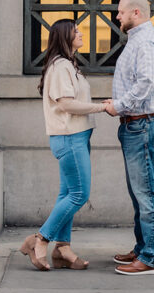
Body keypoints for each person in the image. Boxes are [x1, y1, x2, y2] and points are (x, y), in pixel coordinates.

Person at [19, 18, 106, 271]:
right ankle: (40, 239)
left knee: (67, 194)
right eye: (76, 31)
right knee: (79, 194)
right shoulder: (59, 67)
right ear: (64, 37)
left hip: (77, 136)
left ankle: (63, 249)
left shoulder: (69, 65)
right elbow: (66, 103)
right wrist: (101, 107)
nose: (81, 34)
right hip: (69, 138)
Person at [103, 0, 154, 276]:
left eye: (121, 12)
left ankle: (151, 258)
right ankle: (143, 246)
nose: (117, 16)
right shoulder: (140, 40)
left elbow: (149, 81)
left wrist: (120, 105)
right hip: (138, 124)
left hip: (143, 124)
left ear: (136, 13)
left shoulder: (144, 41)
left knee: (146, 192)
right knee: (140, 191)